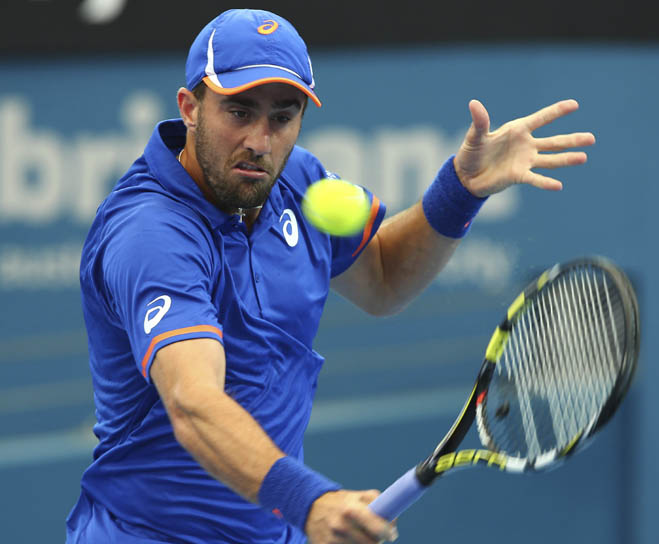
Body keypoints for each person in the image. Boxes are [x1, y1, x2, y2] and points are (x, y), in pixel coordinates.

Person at [65, 8, 595, 544]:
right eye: (240, 111)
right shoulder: (151, 234)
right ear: (191, 107)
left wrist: (460, 189)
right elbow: (192, 402)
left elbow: (384, 278)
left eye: (282, 116)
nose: (260, 140)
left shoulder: (298, 179)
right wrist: (309, 500)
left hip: (271, 530)